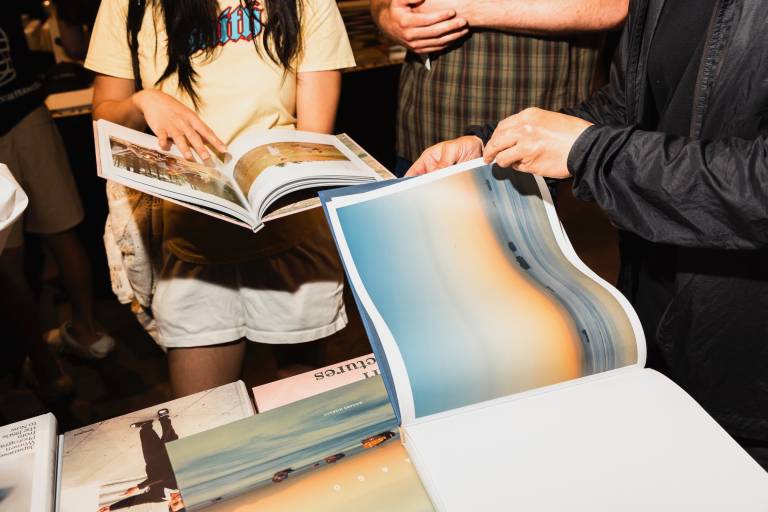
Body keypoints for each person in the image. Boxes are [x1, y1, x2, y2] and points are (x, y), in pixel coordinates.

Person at [407, 0, 768, 468]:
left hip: (746, 348)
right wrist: (498, 142)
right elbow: (626, 105)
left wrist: (590, 152)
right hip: (660, 301)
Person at [85, 0, 356, 396]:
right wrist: (145, 101)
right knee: (204, 417)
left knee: (303, 408)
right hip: (188, 237)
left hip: (286, 232)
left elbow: (312, 139)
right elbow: (104, 118)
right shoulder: (127, 5)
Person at [370, 0, 629, 176]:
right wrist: (388, 17)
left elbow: (616, 6)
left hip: (526, 141)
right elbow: (383, 4)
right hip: (421, 126)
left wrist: (461, 7)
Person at [0, 3, 114, 374]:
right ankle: (87, 331)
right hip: (28, 112)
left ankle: (45, 367)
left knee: (9, 258)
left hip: (15, 120)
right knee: (62, 234)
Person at [98, 408, 186, 511]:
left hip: (152, 462)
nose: (178, 498)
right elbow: (162, 476)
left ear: (169, 505)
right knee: (169, 438)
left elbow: (138, 500)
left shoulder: (159, 497)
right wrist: (139, 487)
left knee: (147, 439)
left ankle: (146, 426)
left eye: (175, 503)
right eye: (182, 501)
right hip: (170, 456)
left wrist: (111, 508)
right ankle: (164, 418)